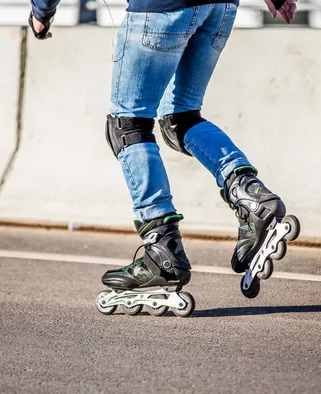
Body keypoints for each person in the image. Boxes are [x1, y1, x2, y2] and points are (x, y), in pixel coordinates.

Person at [28, 0, 299, 315]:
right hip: (219, 7)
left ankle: (161, 249)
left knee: (127, 124)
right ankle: (251, 196)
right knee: (179, 118)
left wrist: (41, 13)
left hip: (162, 8)